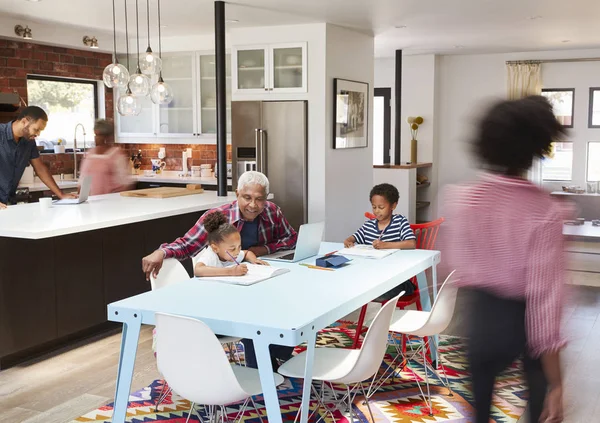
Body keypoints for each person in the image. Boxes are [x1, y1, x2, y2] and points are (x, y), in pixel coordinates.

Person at [439, 95, 571, 423]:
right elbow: (544, 303)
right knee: (542, 411)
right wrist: (557, 382)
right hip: (523, 325)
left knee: (479, 412)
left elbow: (453, 266)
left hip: (479, 321)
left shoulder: (460, 199)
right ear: (539, 147)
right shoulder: (546, 211)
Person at [142, 170, 297, 370]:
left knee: (284, 300)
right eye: (247, 197)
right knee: (254, 311)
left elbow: (291, 238)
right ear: (237, 193)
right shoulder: (218, 219)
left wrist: (262, 250)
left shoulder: (272, 212)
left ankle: (278, 353)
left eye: (259, 199)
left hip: (258, 282)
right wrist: (162, 252)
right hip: (225, 296)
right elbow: (187, 245)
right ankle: (260, 369)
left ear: (266, 199)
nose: (253, 205)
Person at [344, 183, 417, 298]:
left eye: (381, 207)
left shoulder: (399, 222)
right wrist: (348, 240)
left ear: (393, 206)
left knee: (380, 290)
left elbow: (411, 243)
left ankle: (406, 287)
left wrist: (385, 245)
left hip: (394, 275)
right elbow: (353, 237)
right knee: (356, 285)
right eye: (374, 207)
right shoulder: (369, 225)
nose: (377, 211)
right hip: (373, 275)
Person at [0, 106, 77, 208]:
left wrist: (61, 195)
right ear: (24, 121)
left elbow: (40, 169)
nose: (38, 134)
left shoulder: (29, 142)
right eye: (36, 129)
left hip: (9, 203)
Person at [193, 210, 269, 277]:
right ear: (215, 248)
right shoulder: (210, 256)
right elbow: (198, 270)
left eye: (239, 247)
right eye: (232, 249)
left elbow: (247, 253)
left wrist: (254, 260)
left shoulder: (234, 254)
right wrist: (231, 271)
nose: (237, 252)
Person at [78, 119, 133, 195]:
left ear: (107, 137)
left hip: (111, 202)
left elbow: (126, 183)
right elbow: (82, 180)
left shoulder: (116, 154)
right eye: (95, 135)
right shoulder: (89, 154)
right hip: (92, 202)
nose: (96, 138)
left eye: (99, 135)